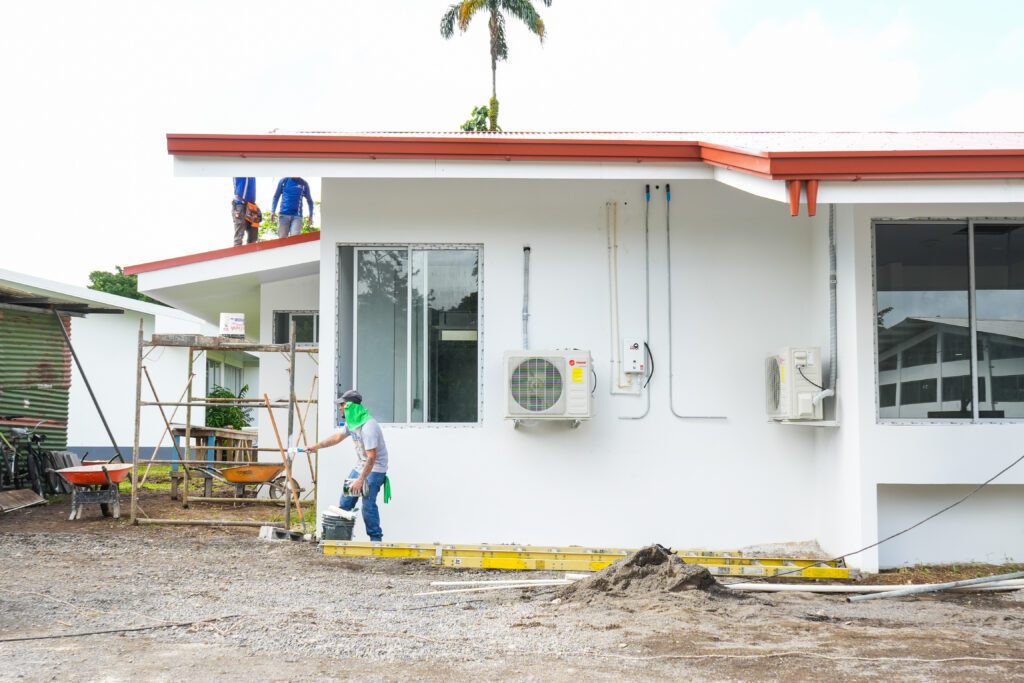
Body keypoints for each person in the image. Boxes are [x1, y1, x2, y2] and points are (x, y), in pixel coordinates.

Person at [306, 390, 389, 541]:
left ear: (350, 406)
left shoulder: (369, 427)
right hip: (361, 465)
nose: (340, 408)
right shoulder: (352, 422)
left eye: (343, 405)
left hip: (375, 468)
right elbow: (337, 437)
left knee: (368, 505)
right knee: (345, 501)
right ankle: (340, 538)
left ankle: (376, 541)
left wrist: (360, 480)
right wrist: (315, 447)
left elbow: (372, 457)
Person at [232, 177, 258, 246]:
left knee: (253, 235)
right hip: (240, 205)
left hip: (251, 206)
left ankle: (251, 254)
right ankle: (237, 252)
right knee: (239, 233)